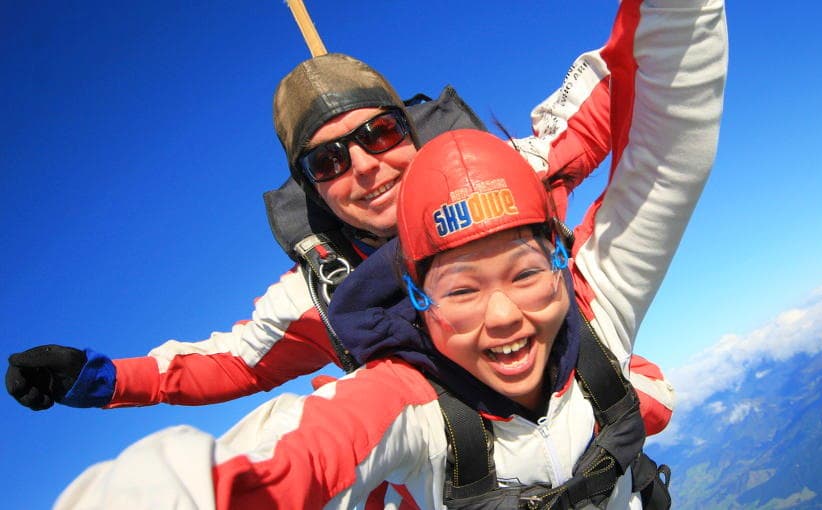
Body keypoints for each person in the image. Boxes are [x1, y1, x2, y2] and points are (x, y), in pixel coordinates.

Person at [54, 0, 727, 507]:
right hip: (454, 460)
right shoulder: (323, 297)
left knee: (622, 389)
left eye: (379, 132)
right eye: (329, 161)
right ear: (312, 190)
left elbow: (636, 108)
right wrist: (109, 379)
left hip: (586, 420)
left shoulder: (505, 176)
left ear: (408, 127)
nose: (367, 167)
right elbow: (240, 376)